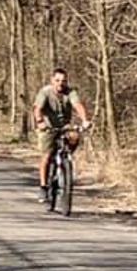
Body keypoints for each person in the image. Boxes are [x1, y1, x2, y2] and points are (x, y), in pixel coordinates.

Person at [33, 68, 92, 203]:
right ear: (52, 80)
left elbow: (78, 105)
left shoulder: (70, 92)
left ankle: (65, 161)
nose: (60, 83)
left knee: (75, 136)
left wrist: (85, 120)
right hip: (48, 127)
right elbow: (37, 109)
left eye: (63, 81)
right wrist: (40, 122)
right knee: (47, 155)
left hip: (65, 126)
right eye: (57, 80)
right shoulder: (45, 92)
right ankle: (43, 187)